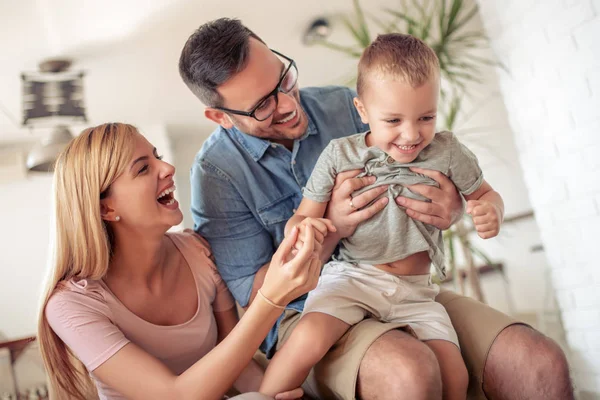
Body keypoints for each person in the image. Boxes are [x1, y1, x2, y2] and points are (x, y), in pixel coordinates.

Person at [180, 18, 573, 400]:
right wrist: (331, 227)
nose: (287, 103)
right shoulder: (217, 174)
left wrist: (453, 208)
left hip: (412, 287)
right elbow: (257, 294)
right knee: (410, 372)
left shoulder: (343, 105)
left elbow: (440, 170)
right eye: (263, 105)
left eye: (284, 78)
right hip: (313, 303)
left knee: (538, 361)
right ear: (220, 117)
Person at [258, 33, 505, 400]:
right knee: (308, 337)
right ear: (362, 111)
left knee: (453, 376)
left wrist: (491, 210)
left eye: (426, 117)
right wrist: (307, 227)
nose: (411, 134)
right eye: (393, 120)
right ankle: (264, 395)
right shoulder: (340, 155)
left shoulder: (448, 151)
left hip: (417, 292)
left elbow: (485, 194)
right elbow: (301, 217)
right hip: (353, 277)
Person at [37, 122, 323, 400]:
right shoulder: (71, 305)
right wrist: (270, 298)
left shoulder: (198, 252)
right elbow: (174, 395)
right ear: (106, 208)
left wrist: (271, 389)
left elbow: (233, 357)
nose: (168, 169)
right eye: (143, 168)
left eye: (157, 156)